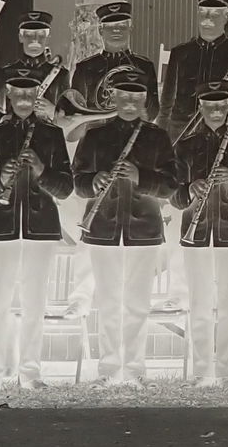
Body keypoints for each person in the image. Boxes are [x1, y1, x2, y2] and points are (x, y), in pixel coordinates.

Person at [71, 75, 179, 387]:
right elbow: (76, 180)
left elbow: (170, 186)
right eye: (124, 96)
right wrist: (93, 181)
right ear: (113, 97)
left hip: (143, 230)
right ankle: (108, 370)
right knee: (107, 301)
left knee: (137, 303)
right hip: (102, 228)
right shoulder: (94, 135)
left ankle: (134, 370)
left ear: (145, 101)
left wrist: (139, 176)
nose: (130, 104)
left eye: (137, 98)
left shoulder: (157, 138)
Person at [0, 72, 73, 390]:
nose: (25, 99)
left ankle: (31, 372)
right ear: (10, 95)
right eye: (19, 93)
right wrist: (0, 182)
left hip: (40, 228)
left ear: (37, 95)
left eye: (31, 93)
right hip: (1, 228)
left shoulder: (52, 135)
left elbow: (67, 188)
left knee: (34, 304)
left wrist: (42, 171)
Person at [170, 85, 228, 386]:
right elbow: (173, 196)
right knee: (200, 305)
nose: (216, 109)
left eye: (221, 104)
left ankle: (227, 371)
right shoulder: (185, 146)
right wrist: (190, 189)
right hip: (196, 232)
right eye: (209, 104)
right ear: (201, 105)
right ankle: (202, 371)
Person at [159, 0, 228, 140]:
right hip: (182, 134)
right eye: (203, 12)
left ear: (226, 16)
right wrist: (161, 138)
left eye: (215, 14)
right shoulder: (180, 53)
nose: (207, 18)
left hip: (226, 136)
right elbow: (166, 104)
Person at [70, 1, 159, 120]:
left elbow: (152, 111)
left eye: (122, 26)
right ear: (101, 31)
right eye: (111, 26)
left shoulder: (145, 66)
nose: (116, 30)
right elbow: (75, 110)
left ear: (130, 29)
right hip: (95, 133)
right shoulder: (84, 67)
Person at [0, 10, 68, 121]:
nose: (35, 40)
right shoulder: (5, 73)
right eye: (29, 34)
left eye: (41, 34)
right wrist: (6, 120)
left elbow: (69, 118)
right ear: (20, 37)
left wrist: (53, 112)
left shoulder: (61, 75)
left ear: (48, 39)